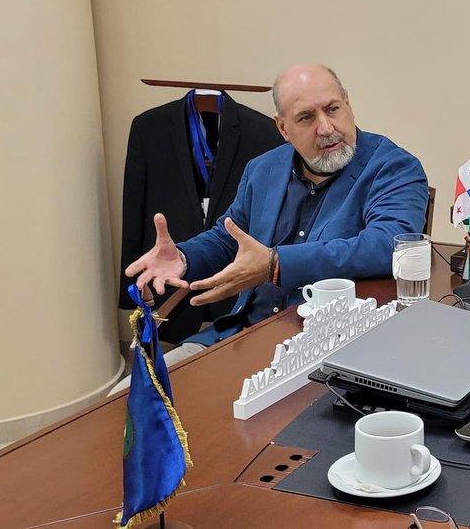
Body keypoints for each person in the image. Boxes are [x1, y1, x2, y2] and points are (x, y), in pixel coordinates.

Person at [124, 63, 428, 364]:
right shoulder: (263, 169)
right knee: (128, 399)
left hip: (327, 349)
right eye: (306, 117)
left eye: (332, 109)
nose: (325, 128)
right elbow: (229, 237)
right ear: (283, 128)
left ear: (347, 104)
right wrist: (184, 257)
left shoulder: (392, 167)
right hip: (241, 336)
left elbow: (389, 245)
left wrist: (276, 264)